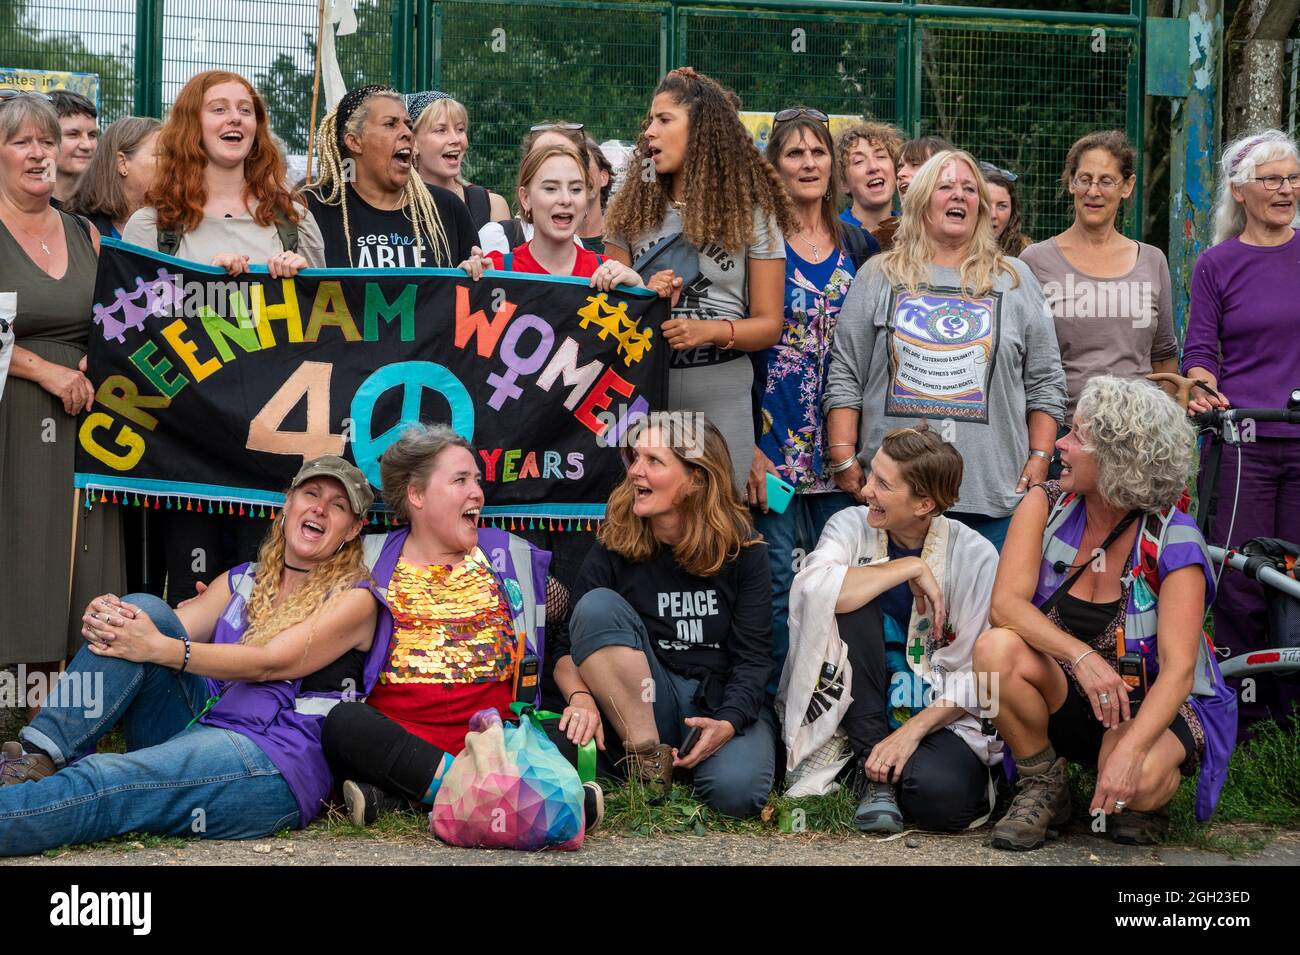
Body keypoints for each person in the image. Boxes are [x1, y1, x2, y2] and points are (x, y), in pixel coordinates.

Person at [0, 457, 388, 855]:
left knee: (106, 778)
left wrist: (161, 647)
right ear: (288, 503)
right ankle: (37, 755)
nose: (320, 509)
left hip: (271, 760)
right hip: (201, 724)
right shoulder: (242, 579)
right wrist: (113, 619)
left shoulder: (354, 598)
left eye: (338, 506)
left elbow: (269, 661)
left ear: (354, 529)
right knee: (141, 610)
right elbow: (158, 628)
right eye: (311, 494)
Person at [974, 376, 1236, 850]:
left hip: (1152, 701)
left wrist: (1131, 749)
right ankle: (1043, 785)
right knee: (995, 650)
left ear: (1119, 458)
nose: (1061, 445)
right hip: (1071, 693)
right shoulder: (1045, 502)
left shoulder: (1173, 539)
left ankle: (1140, 791)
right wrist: (1081, 657)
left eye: (1077, 436)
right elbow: (1004, 607)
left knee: (1136, 784)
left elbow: (1179, 672)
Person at [319, 424, 603, 829]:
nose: (477, 493)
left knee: (573, 735)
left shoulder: (505, 555)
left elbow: (569, 629)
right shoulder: (365, 560)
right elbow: (298, 604)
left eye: (477, 480)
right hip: (407, 740)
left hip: (501, 740)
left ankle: (412, 796)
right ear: (416, 495)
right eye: (460, 480)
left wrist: (580, 695)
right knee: (344, 724)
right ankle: (513, 797)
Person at [121, 70, 323, 604]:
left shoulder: (293, 220)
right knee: (191, 596)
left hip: (275, 450)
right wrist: (199, 292)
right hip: (187, 447)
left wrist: (299, 284)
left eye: (245, 109)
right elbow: (132, 337)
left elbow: (331, 331)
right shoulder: (151, 227)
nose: (235, 118)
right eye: (219, 108)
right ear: (193, 124)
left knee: (271, 595)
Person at [824, 149, 1066, 551]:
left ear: (983, 207)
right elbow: (846, 372)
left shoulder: (1017, 278)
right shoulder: (878, 275)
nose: (959, 196)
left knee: (986, 614)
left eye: (969, 189)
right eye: (946, 186)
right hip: (895, 498)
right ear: (920, 200)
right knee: (889, 612)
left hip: (990, 498)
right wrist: (845, 459)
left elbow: (1045, 380)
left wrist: (1040, 458)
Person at [545, 415, 775, 818]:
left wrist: (728, 722)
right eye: (635, 458)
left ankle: (670, 762)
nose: (635, 471)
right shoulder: (615, 542)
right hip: (641, 702)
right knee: (597, 606)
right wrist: (581, 698)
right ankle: (647, 760)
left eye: (653, 461)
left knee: (735, 796)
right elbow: (568, 647)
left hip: (713, 702)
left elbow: (753, 659)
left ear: (697, 480)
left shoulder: (745, 552)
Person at [780, 424, 1001, 832]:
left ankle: (882, 768)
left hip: (935, 711)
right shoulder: (850, 524)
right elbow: (813, 590)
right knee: (844, 593)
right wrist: (907, 567)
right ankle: (872, 772)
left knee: (941, 801)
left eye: (883, 484)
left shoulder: (976, 555)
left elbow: (983, 675)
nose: (865, 491)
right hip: (858, 701)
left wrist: (912, 732)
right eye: (871, 475)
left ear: (923, 505)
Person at [605, 67, 796, 491]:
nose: (649, 132)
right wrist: (643, 295)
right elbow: (610, 313)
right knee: (648, 526)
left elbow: (769, 325)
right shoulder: (629, 208)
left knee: (713, 533)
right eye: (649, 121)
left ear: (702, 129)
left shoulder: (752, 213)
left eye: (664, 119)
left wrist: (707, 330)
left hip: (720, 390)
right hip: (646, 389)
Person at [0, 91, 125, 705]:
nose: (39, 153)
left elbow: (117, 318)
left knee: (77, 546)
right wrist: (43, 372)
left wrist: (93, 358)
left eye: (46, 141)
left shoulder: (85, 232)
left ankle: (73, 693)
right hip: (12, 414)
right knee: (16, 538)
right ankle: (9, 693)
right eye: (22, 141)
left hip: (85, 415)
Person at [1184, 128, 1300, 734]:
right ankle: (1245, 718)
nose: (1285, 190)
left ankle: (1294, 718)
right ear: (1240, 190)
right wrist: (1204, 387)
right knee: (1241, 575)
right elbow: (1200, 351)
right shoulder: (1217, 263)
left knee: (1298, 578)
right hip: (1243, 444)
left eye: (1292, 178)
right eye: (1271, 179)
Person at [751, 109, 872, 687]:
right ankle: (779, 708)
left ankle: (838, 709)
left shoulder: (860, 243)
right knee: (776, 580)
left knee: (844, 580)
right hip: (773, 438)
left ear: (834, 164)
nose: (808, 163)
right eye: (794, 153)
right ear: (774, 166)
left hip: (842, 447)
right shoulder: (759, 240)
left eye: (818, 152)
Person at [1019, 131, 1177, 443]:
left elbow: (1164, 358)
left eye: (1106, 181)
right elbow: (1020, 361)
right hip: (1061, 435)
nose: (1093, 190)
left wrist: (1162, 427)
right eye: (1085, 179)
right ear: (1071, 183)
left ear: (1127, 187)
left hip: (1138, 437)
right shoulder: (1035, 261)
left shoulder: (1152, 261)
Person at [306, 85, 475, 269]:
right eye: (390, 124)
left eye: (409, 125)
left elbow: (474, 290)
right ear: (354, 141)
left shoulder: (448, 208)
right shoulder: (313, 208)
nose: (408, 133)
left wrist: (477, 273)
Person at [477, 142, 643, 286]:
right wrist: (464, 280)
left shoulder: (607, 273)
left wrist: (638, 288)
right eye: (551, 188)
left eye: (576, 189)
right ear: (525, 198)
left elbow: (643, 321)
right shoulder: (496, 270)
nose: (565, 199)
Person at [477, 121, 594, 254]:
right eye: (542, 156)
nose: (565, 199)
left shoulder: (597, 264)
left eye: (575, 189)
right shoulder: (498, 241)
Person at [407, 90, 510, 230]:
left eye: (460, 129)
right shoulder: (395, 205)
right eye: (441, 130)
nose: (455, 139)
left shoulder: (492, 206)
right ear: (414, 142)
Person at [64, 116, 161, 239]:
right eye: (160, 155)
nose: (172, 164)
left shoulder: (176, 226)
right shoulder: (77, 229)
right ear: (122, 163)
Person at [836, 121, 903, 242]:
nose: (873, 167)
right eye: (858, 161)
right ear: (843, 183)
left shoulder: (915, 232)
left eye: (881, 156)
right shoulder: (832, 234)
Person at [48, 90, 97, 206]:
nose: (87, 145)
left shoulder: (105, 208)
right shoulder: (23, 207)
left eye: (92, 135)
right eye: (73, 134)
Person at [981, 161, 1032, 256]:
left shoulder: (1026, 255)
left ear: (1013, 211)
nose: (993, 215)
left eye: (1002, 206)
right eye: (986, 204)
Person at [581, 134, 615, 254]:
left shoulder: (621, 240)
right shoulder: (550, 240)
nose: (579, 174)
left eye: (585, 164)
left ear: (603, 177)